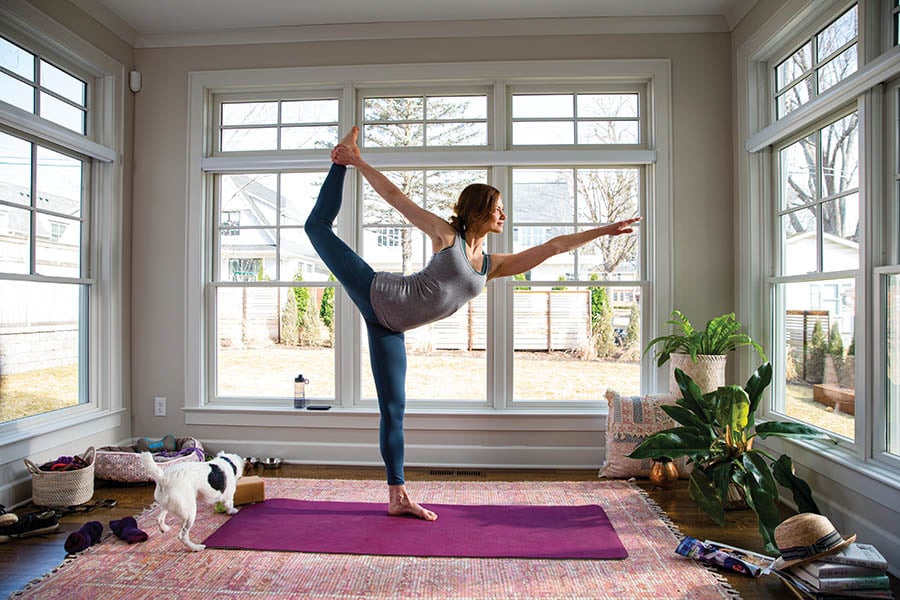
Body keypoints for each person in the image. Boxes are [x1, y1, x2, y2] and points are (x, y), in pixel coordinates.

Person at [305, 127, 640, 521]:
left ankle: (397, 497)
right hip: (377, 292)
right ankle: (339, 162)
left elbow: (553, 247)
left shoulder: (491, 266)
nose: (504, 214)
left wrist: (604, 231)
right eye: (498, 207)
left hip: (390, 329)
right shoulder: (447, 237)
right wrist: (356, 161)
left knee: (394, 410)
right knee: (316, 228)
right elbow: (397, 199)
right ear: (479, 208)